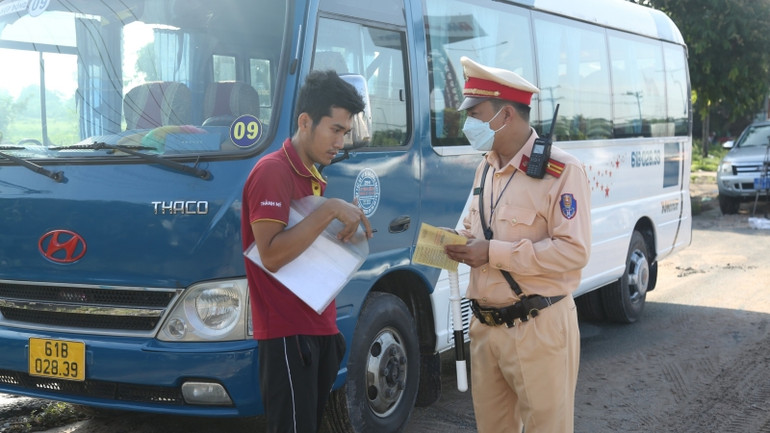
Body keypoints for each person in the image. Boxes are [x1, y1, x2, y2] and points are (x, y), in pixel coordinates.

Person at [444, 57, 591, 433]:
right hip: (486, 329)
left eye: (475, 114)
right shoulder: (486, 168)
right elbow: (475, 230)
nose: (467, 125)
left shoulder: (562, 171)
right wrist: (457, 244)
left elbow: (573, 251)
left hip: (537, 328)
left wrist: (491, 253)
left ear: (505, 115)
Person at [241, 70, 373, 433]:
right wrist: (330, 210)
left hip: (317, 327)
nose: (340, 142)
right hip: (287, 334)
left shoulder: (312, 173)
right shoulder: (272, 172)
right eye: (335, 130)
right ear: (305, 121)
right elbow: (270, 254)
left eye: (346, 133)